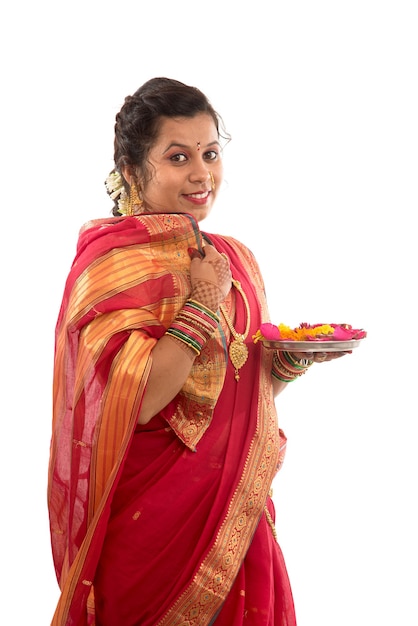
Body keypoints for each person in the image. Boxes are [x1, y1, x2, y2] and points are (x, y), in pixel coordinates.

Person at [48, 77, 349, 626]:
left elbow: (233, 386)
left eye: (210, 154)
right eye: (178, 157)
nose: (201, 174)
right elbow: (135, 402)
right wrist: (202, 301)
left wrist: (289, 361)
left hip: (233, 511)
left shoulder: (235, 257)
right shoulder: (113, 265)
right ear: (134, 167)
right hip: (153, 527)